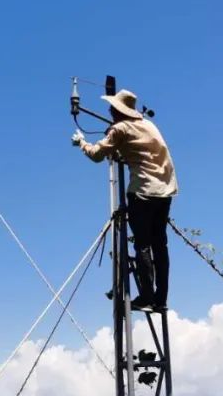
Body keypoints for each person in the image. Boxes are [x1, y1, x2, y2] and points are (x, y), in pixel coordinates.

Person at [71, 89, 179, 311]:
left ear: (118, 110)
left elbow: (97, 155)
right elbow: (141, 151)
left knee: (143, 244)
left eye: (112, 108)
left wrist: (82, 143)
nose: (110, 111)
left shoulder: (119, 129)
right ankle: (161, 299)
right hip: (165, 190)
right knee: (160, 245)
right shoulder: (149, 125)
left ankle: (146, 297)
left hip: (142, 190)